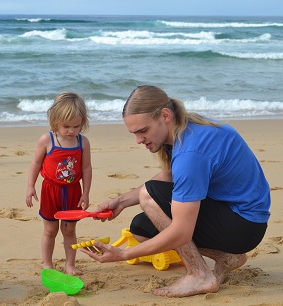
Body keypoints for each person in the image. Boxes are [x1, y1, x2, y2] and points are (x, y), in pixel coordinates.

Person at [81, 85, 270, 297]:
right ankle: (226, 256)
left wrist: (123, 254)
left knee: (149, 195)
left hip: (243, 223)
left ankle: (199, 274)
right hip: (233, 215)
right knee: (141, 228)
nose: (139, 140)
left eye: (143, 131)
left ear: (165, 115)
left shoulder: (192, 152)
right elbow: (170, 175)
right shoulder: (185, 128)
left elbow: (181, 231)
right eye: (134, 133)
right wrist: (122, 201)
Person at [26, 92, 92, 276]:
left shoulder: (82, 142)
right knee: (50, 230)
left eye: (76, 126)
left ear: (83, 122)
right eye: (66, 126)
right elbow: (35, 164)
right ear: (55, 121)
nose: (71, 131)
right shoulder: (47, 140)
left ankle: (70, 264)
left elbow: (86, 169)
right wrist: (30, 186)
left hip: (72, 191)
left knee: (69, 230)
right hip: (50, 190)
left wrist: (85, 193)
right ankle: (48, 264)